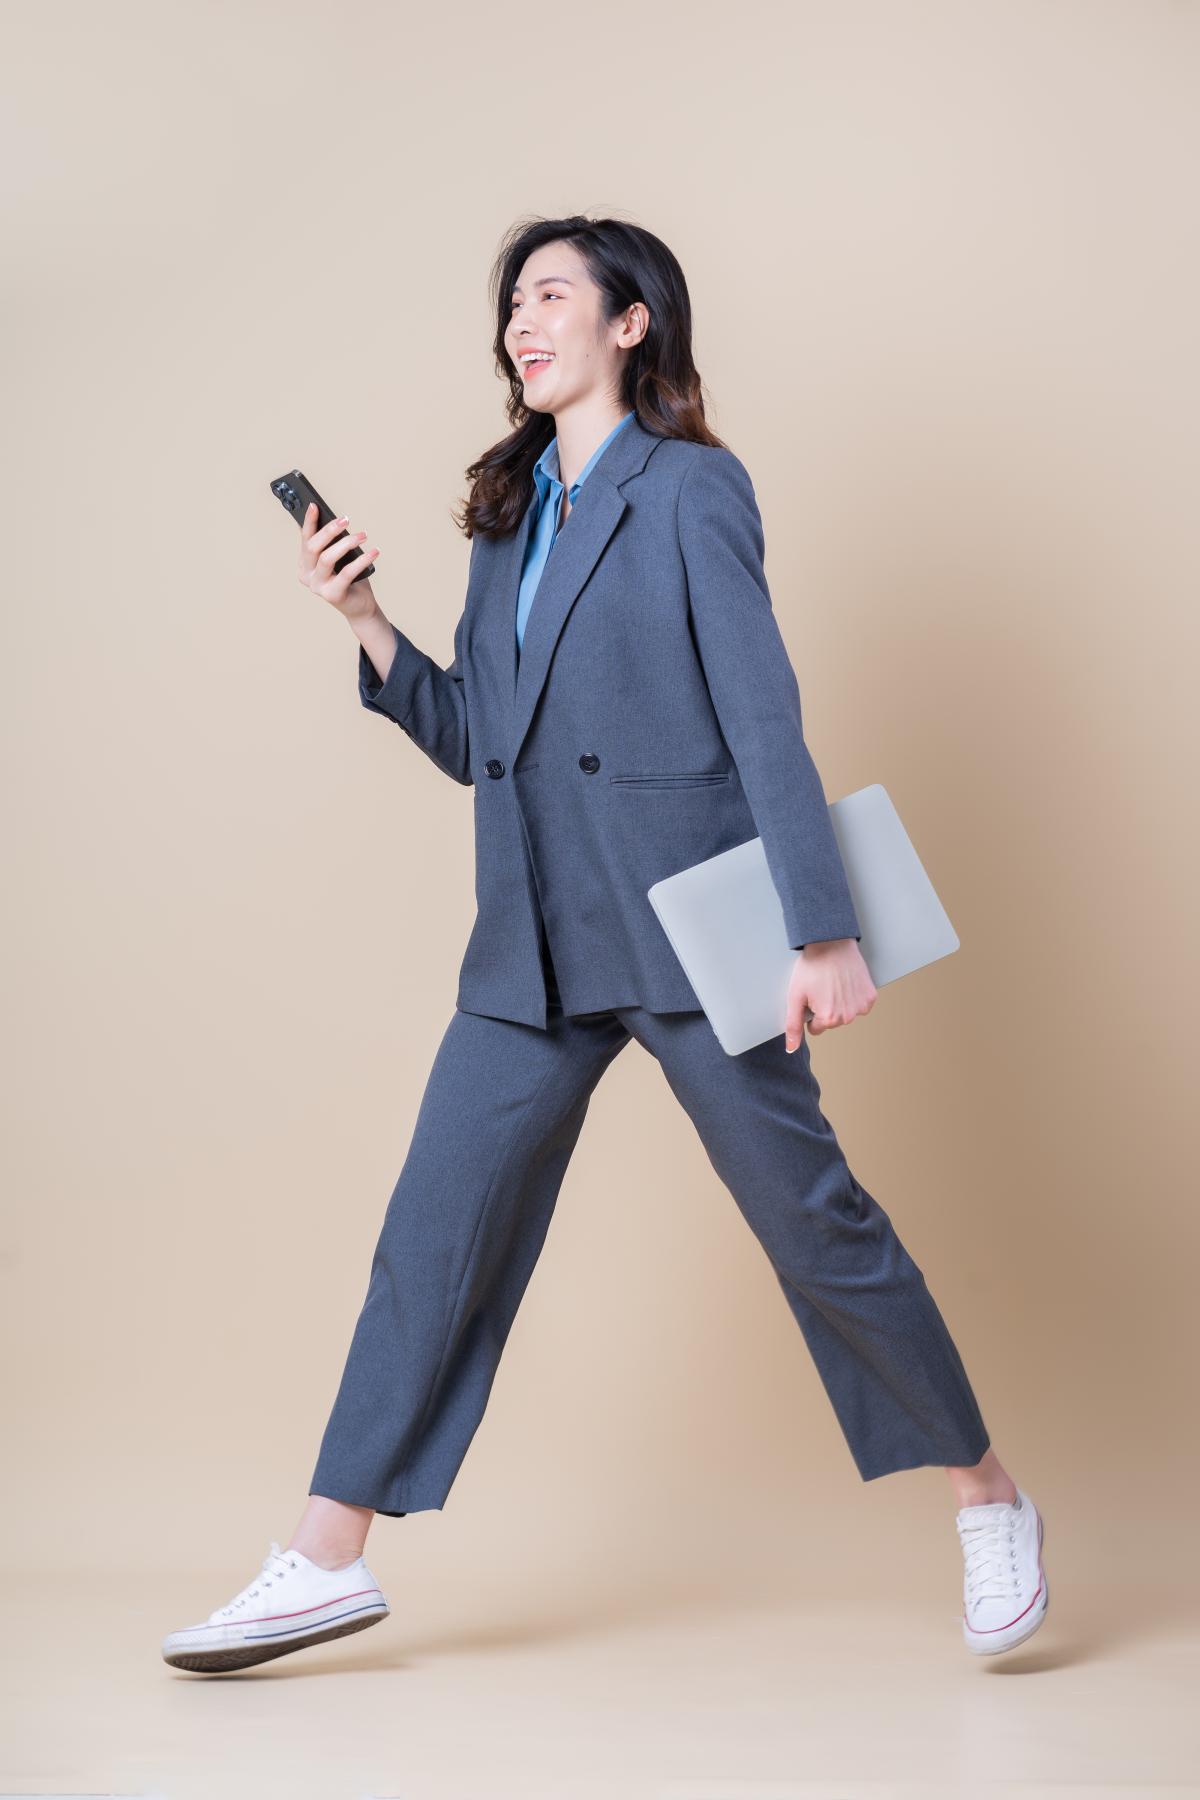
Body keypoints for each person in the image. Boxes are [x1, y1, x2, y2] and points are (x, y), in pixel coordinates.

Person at [162, 215, 1047, 1675]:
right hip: (531, 939)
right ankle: (324, 1556)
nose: (522, 320)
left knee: (813, 1222)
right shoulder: (506, 514)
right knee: (431, 1237)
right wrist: (368, 620)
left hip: (689, 926)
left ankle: (988, 1496)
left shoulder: (692, 489)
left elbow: (761, 709)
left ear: (632, 324)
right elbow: (480, 743)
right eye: (511, 302)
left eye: (552, 294)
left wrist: (821, 926)